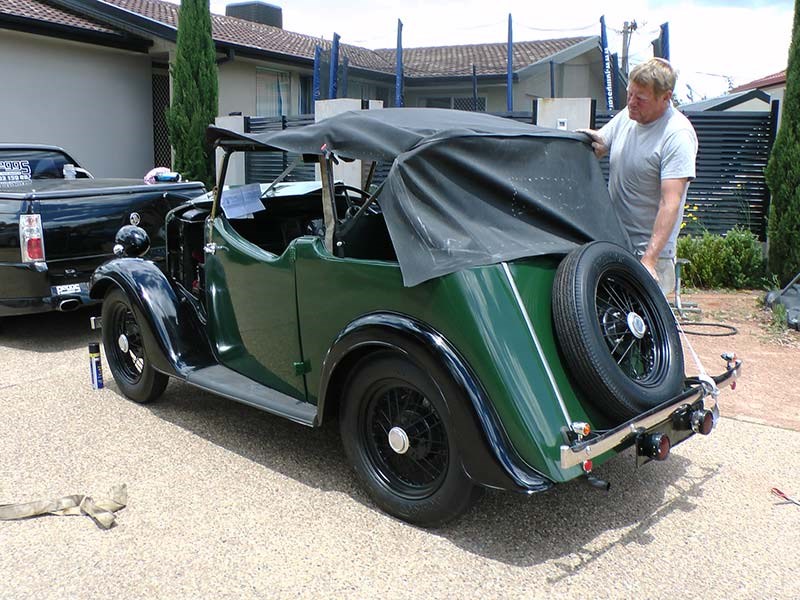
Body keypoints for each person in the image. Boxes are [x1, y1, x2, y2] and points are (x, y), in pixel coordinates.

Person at [581, 57, 698, 295]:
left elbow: (670, 203)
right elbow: (601, 145)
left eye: (641, 98)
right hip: (614, 241)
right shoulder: (629, 115)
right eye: (629, 94)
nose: (632, 103)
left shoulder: (677, 135)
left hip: (650, 254)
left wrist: (650, 260)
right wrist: (575, 142)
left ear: (665, 97)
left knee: (645, 326)